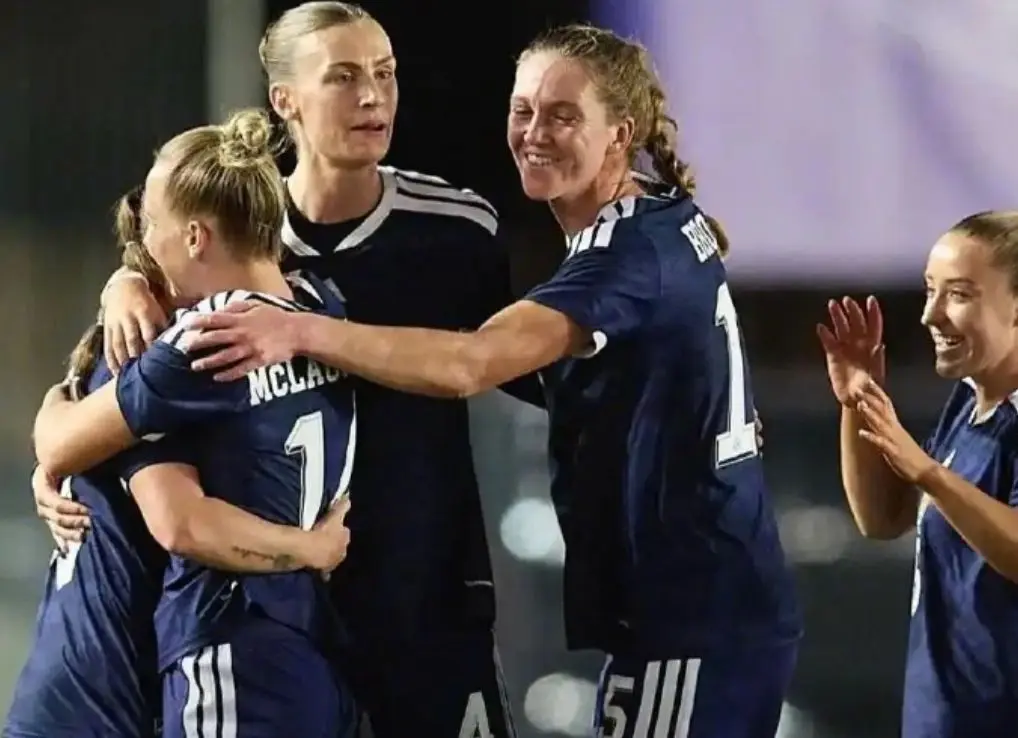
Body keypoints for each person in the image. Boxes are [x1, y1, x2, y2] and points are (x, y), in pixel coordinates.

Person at [184, 24, 802, 738]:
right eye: (523, 110)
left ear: (620, 134)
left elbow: (470, 363)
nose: (535, 133)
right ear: (284, 99)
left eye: (563, 115)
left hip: (690, 612)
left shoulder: (608, 250)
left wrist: (300, 330)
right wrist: (128, 290)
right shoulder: (659, 219)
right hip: (692, 607)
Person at [40, 3, 531, 736]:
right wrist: (127, 284)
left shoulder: (457, 229)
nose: (373, 96)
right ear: (285, 100)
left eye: (386, 73)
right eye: (343, 76)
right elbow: (124, 366)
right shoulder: (242, 236)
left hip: (423, 596)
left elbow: (504, 366)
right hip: (281, 614)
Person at [26, 109, 358, 738]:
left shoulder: (199, 341)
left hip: (225, 650)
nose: (147, 243)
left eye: (154, 225)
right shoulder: (324, 307)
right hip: (309, 646)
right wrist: (125, 282)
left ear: (197, 237)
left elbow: (75, 454)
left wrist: (54, 432)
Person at [820, 211, 1018, 738]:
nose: (931, 314)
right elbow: (882, 519)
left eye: (959, 294)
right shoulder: (968, 403)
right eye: (931, 290)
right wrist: (860, 401)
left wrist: (929, 473)